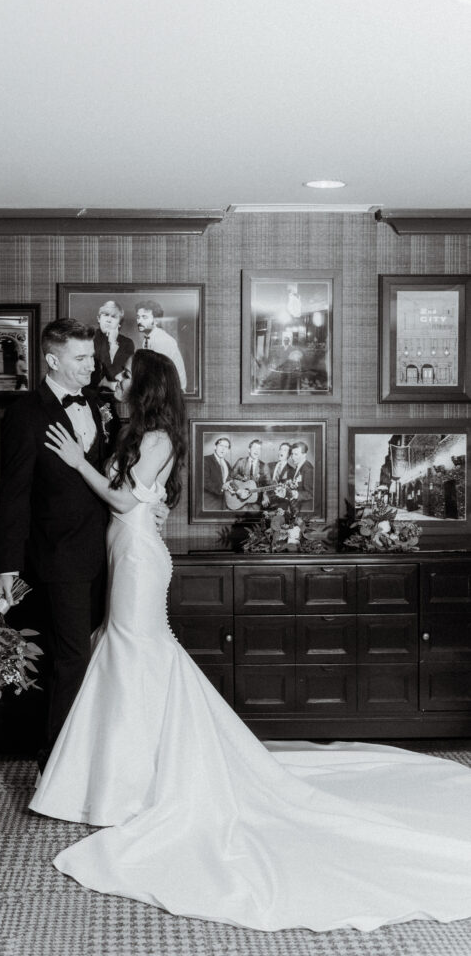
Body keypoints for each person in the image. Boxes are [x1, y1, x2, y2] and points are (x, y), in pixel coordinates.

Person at [28, 350, 471, 933]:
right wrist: (96, 442)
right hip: (124, 550)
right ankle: (123, 777)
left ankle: (135, 784)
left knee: (137, 652)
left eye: (124, 375)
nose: (115, 380)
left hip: (138, 555)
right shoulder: (136, 431)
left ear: (147, 384)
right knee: (126, 651)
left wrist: (76, 460)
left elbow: (123, 500)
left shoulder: (159, 436)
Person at [0, 318, 165, 773]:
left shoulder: (101, 402)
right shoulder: (25, 413)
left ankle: (103, 755)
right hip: (60, 556)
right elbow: (12, 495)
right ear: (53, 359)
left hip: (115, 553)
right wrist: (7, 567)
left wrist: (152, 506)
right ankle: (58, 767)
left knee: (106, 652)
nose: (94, 365)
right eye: (82, 358)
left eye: (93, 356)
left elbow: (131, 474)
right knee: (73, 658)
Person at [134, 300, 187, 390]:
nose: (139, 321)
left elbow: (158, 376)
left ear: (156, 321)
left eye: (144, 317)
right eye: (138, 317)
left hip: (172, 392)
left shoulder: (162, 340)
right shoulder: (148, 338)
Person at [90, 300, 135, 397]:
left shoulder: (127, 343)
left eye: (113, 317)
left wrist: (113, 342)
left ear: (119, 323)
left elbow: (114, 376)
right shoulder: (88, 340)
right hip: (92, 395)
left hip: (118, 396)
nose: (108, 320)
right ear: (99, 319)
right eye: (105, 315)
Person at [227, 438, 270, 511]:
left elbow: (268, 484)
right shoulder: (241, 462)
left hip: (256, 501)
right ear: (249, 449)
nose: (256, 451)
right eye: (254, 448)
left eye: (259, 449)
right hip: (238, 500)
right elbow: (229, 478)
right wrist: (238, 491)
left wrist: (265, 495)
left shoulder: (264, 466)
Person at [202, 435, 232, 509]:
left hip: (225, 503)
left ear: (228, 450)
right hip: (209, 503)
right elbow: (204, 481)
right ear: (215, 447)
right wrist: (221, 487)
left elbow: (229, 481)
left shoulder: (227, 464)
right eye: (221, 445)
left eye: (226, 447)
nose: (223, 449)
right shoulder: (205, 460)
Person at [288, 440, 314, 511]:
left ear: (304, 455)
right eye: (292, 454)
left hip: (303, 508)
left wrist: (296, 494)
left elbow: (311, 494)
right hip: (296, 506)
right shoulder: (298, 466)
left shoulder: (308, 469)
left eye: (296, 454)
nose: (292, 457)